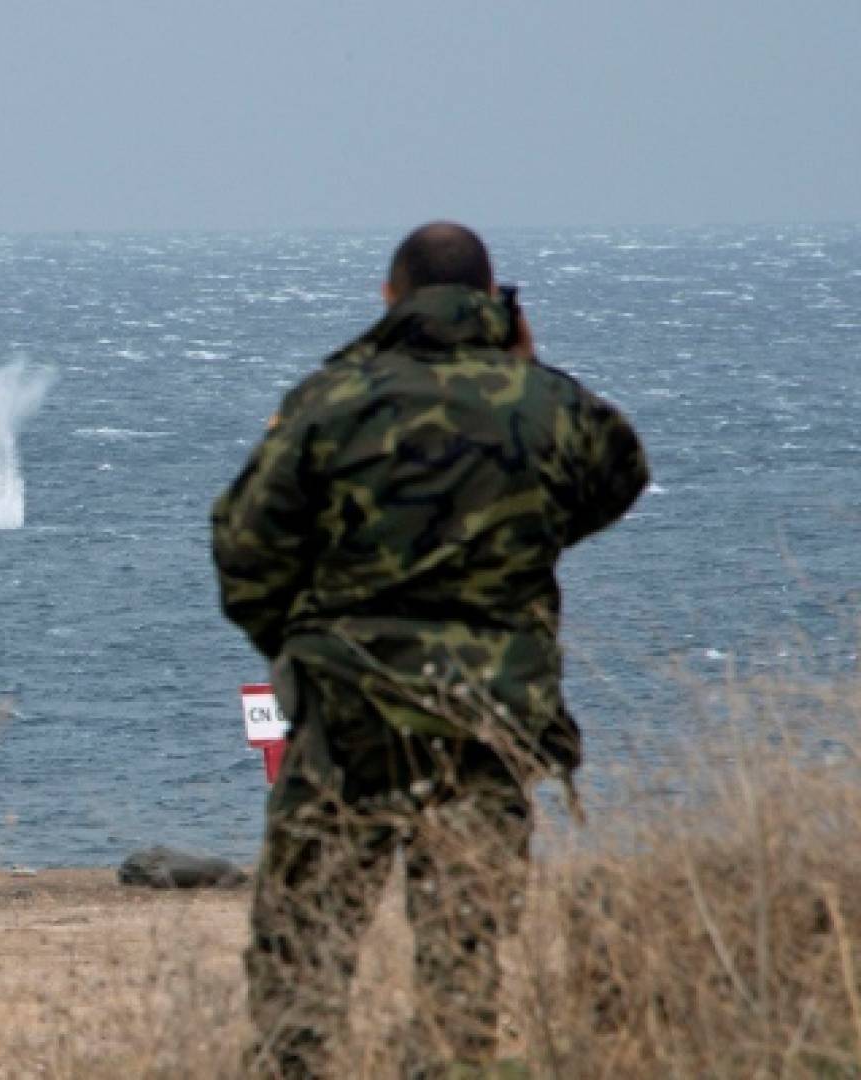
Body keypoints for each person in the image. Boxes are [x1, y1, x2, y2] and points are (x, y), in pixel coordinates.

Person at [211, 222, 648, 1078]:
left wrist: (302, 646)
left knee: (301, 971)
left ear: (389, 300)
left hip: (347, 726)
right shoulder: (546, 405)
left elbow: (244, 549)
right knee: (461, 978)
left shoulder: (329, 400)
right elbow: (618, 473)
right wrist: (520, 388)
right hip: (488, 731)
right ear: (496, 303)